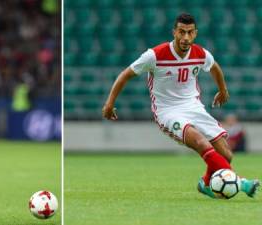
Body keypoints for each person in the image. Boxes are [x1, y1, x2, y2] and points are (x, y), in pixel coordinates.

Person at [102, 13, 259, 198]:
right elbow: (126, 74)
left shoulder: (200, 53)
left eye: (190, 32)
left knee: (226, 154)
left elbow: (214, 66)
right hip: (167, 112)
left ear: (195, 33)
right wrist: (109, 103)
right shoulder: (154, 55)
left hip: (193, 107)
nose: (185, 37)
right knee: (201, 142)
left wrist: (223, 90)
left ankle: (206, 183)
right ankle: (242, 183)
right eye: (181, 32)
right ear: (174, 32)